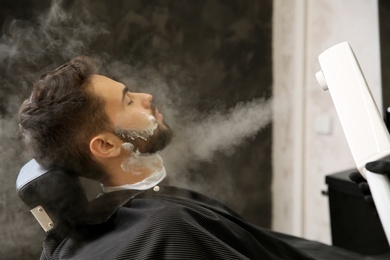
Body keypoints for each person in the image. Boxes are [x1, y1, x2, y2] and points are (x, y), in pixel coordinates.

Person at [18, 56, 378, 259]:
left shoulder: (87, 238)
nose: (146, 96)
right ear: (107, 146)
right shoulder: (166, 227)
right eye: (128, 100)